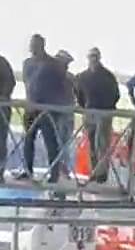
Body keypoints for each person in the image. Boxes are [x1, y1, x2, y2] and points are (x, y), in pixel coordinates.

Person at [20, 34, 64, 183]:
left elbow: (60, 85)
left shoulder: (53, 64)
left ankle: (54, 173)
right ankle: (27, 170)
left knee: (50, 142)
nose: (31, 47)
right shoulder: (27, 63)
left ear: (41, 45)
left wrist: (54, 105)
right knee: (27, 140)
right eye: (31, 44)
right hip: (31, 107)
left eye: (34, 44)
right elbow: (28, 83)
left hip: (47, 109)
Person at [75, 47, 120, 183]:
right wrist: (84, 107)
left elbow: (116, 95)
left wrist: (107, 107)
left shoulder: (108, 76)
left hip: (104, 113)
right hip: (89, 113)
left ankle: (101, 173)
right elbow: (78, 93)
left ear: (99, 58)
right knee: (92, 145)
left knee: (102, 144)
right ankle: (94, 171)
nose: (93, 59)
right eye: (91, 57)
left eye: (95, 56)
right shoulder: (82, 77)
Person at [54, 50, 75, 176]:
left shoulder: (68, 77)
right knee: (61, 142)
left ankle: (62, 168)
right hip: (61, 113)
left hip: (65, 113)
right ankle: (61, 168)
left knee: (63, 142)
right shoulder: (67, 77)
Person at [0, 53, 15, 183]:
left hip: (2, 109)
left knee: (0, 140)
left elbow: (10, 83)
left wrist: (3, 97)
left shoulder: (2, 63)